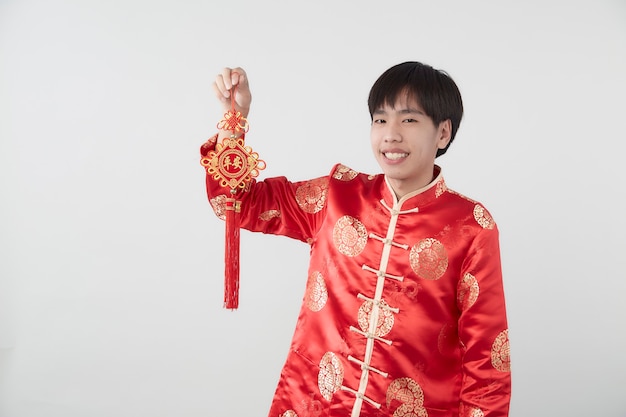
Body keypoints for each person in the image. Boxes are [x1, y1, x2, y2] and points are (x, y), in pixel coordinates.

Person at [201, 62, 511, 417]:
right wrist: (233, 121)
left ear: (442, 133)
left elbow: (488, 359)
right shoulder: (336, 195)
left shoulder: (470, 226)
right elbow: (236, 204)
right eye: (380, 120)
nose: (390, 135)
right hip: (314, 406)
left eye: (408, 120)